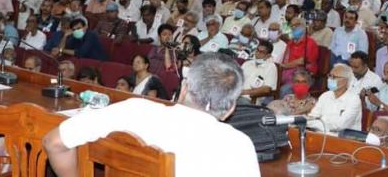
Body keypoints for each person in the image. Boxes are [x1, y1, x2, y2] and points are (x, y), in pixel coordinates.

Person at [43, 53, 259, 177]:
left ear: (183, 88)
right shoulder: (238, 145)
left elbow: (53, 142)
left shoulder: (134, 109)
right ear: (230, 108)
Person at [307, 63, 362, 135]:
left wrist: (321, 121)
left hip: (343, 141)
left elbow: (340, 125)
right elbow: (310, 119)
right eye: (329, 76)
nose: (330, 79)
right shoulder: (325, 96)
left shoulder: (354, 100)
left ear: (345, 81)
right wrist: (325, 123)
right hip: (320, 137)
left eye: (334, 77)